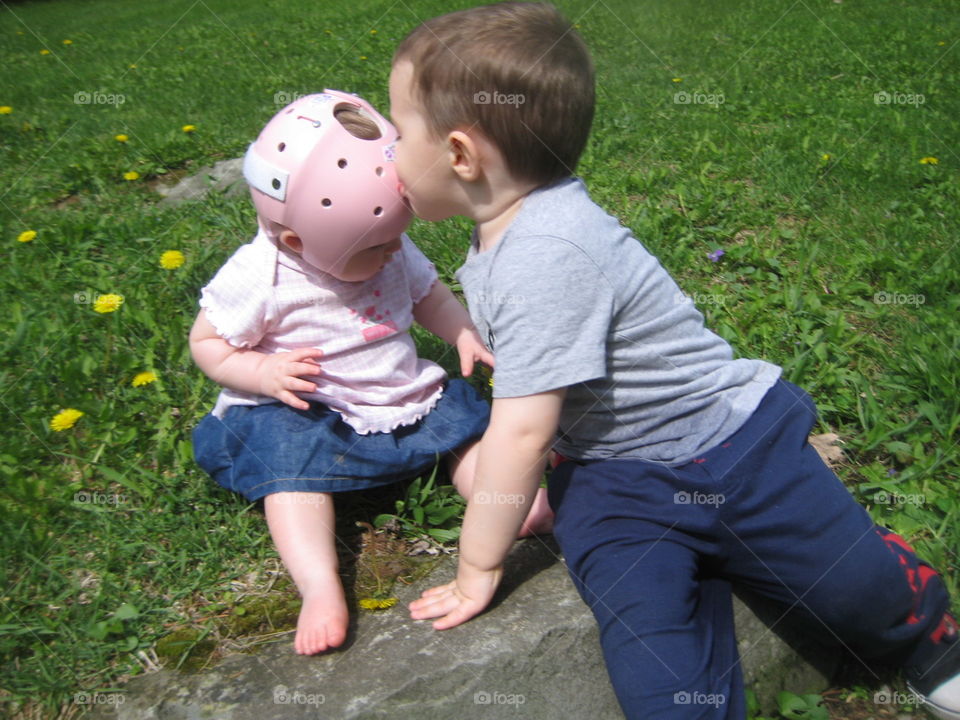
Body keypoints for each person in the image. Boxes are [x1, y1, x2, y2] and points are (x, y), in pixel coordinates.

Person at [387, 4, 960, 718]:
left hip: (735, 448)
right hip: (617, 483)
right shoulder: (505, 232)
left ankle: (931, 642)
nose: (387, 150)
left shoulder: (547, 252)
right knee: (651, 654)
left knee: (857, 588)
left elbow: (523, 432)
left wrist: (478, 565)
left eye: (398, 129)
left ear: (463, 156)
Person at [189, 89, 554, 656]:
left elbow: (427, 293)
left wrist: (459, 330)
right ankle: (319, 584)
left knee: (458, 428)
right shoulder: (260, 275)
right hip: (313, 411)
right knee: (289, 474)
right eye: (377, 248)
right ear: (294, 240)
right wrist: (263, 373)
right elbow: (208, 343)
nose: (392, 255)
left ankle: (508, 504)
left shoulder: (387, 244)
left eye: (394, 240)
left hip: (398, 392)